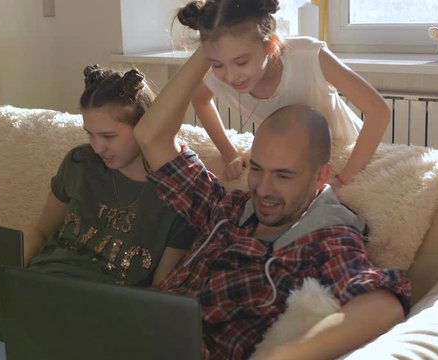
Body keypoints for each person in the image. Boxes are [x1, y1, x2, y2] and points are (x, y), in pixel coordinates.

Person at [0, 65, 196, 360]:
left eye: (108, 136)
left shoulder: (177, 196)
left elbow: (159, 293)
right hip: (27, 295)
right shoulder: (80, 164)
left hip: (82, 322)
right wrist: (1, 284)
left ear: (144, 127)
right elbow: (41, 231)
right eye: (90, 134)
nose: (97, 147)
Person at [133, 47, 411, 359]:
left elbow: (383, 305)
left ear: (321, 177)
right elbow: (151, 137)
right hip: (138, 333)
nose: (263, 189)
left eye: (283, 175)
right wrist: (210, 46)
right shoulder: (225, 207)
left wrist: (282, 355)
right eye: (257, 168)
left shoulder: (325, 238)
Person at [176, 0, 390, 187]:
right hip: (293, 156)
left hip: (346, 149)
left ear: (270, 45)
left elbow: (379, 111)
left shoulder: (308, 56)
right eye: (217, 64)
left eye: (241, 62)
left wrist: (343, 179)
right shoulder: (219, 76)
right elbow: (200, 100)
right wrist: (230, 154)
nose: (231, 76)